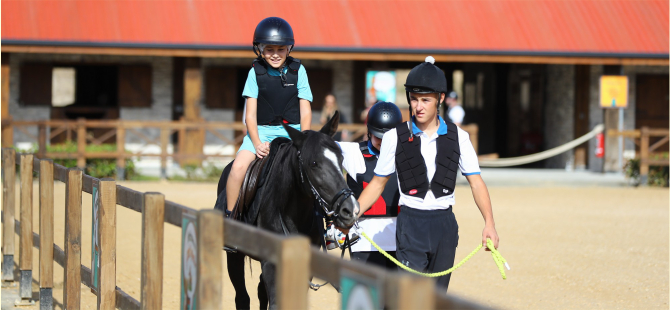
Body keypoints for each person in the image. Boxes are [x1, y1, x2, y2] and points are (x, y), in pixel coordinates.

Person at [352, 56, 499, 291]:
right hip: (411, 224)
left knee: (437, 299)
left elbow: (476, 183)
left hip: (444, 225)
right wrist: (353, 213)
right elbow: (377, 184)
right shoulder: (393, 137)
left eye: (425, 100)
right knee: (413, 298)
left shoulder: (459, 137)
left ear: (440, 98)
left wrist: (489, 224)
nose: (418, 107)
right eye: (413, 99)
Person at [225, 17, 313, 215]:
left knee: (319, 168)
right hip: (261, 133)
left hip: (294, 133)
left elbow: (305, 111)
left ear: (289, 49)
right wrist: (256, 143)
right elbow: (250, 115)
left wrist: (303, 139)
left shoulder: (299, 71)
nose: (275, 55)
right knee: (237, 168)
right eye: (269, 49)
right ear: (260, 49)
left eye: (280, 49)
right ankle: (230, 217)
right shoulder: (254, 73)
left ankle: (327, 222)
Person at [329, 101, 403, 269]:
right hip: (363, 242)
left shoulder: (407, 156)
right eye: (378, 137)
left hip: (401, 242)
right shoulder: (352, 152)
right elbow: (318, 146)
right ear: (369, 131)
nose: (383, 142)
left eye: (388, 138)